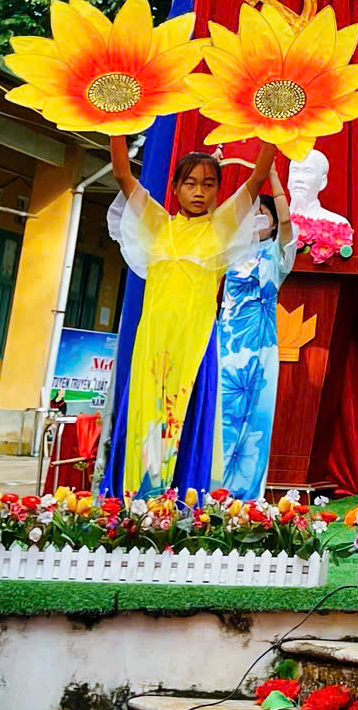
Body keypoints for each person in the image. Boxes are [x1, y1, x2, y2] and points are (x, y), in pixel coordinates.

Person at [107, 137, 276, 497]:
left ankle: (180, 500)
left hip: (195, 341)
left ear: (218, 190)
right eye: (190, 183)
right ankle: (137, 497)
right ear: (175, 188)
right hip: (153, 341)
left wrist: (273, 127)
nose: (199, 192)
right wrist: (116, 126)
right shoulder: (158, 224)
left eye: (208, 184)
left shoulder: (221, 225)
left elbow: (257, 178)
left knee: (184, 415)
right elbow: (122, 174)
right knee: (146, 414)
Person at [214, 187, 296, 498]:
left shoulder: (276, 255)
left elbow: (286, 220)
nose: (255, 220)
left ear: (272, 224)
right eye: (250, 215)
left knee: (254, 418)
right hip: (225, 342)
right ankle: (211, 487)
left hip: (260, 348)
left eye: (262, 214)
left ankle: (245, 495)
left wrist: (272, 174)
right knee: (221, 412)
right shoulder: (229, 252)